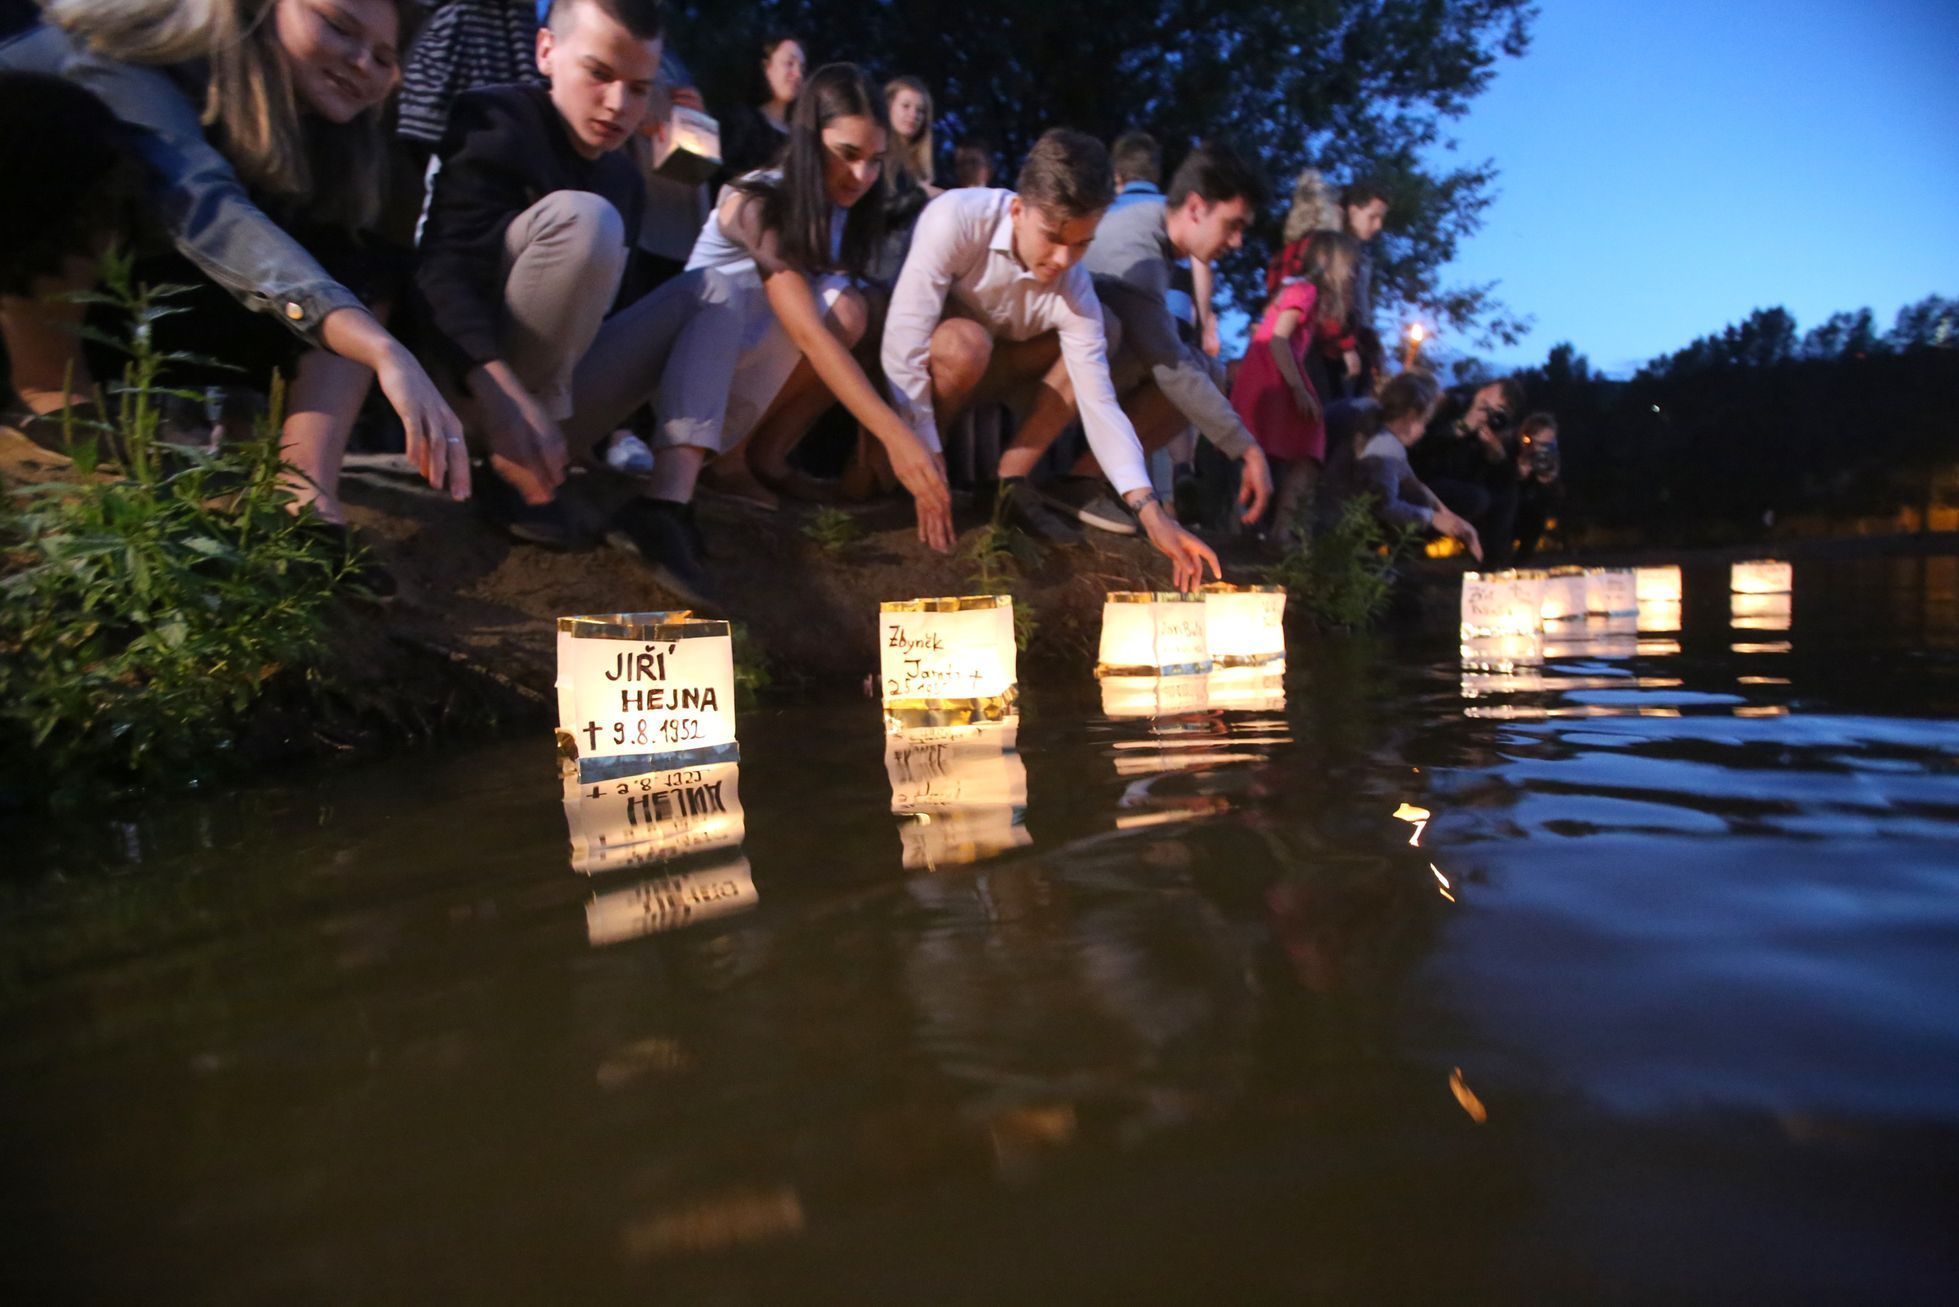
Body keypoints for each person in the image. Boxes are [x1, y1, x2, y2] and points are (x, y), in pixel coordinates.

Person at [0, 0, 468, 522]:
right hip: (27, 270)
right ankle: (47, 388)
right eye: (338, 26)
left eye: (384, 58)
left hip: (128, 308)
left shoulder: (327, 123)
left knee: (361, 247)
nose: (363, 63)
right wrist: (381, 348)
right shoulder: (125, 51)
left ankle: (304, 491)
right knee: (61, 128)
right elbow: (205, 210)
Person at [413, 0, 752, 602]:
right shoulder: (495, 119)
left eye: (639, 88)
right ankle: (509, 471)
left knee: (719, 288)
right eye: (599, 75)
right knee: (584, 217)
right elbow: (438, 279)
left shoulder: (623, 176)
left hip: (553, 410)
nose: (619, 104)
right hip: (472, 394)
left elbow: (602, 319)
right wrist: (504, 401)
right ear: (547, 52)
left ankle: (664, 508)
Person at [648, 62, 954, 584]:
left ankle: (765, 456)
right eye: (847, 155)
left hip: (751, 365)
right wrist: (899, 438)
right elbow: (808, 331)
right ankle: (726, 460)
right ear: (810, 140)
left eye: (876, 161)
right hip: (690, 375)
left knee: (857, 307)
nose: (861, 176)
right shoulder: (760, 197)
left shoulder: (844, 211)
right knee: (836, 307)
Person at [880, 127, 1220, 591]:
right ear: (1018, 210)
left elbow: (1098, 404)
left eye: (1082, 244)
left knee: (1102, 324)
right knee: (964, 343)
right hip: (938, 368)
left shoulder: (1074, 287)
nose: (1064, 259)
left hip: (1009, 373)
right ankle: (917, 479)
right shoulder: (956, 219)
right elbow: (904, 342)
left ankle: (1007, 486)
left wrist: (1151, 509)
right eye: (1053, 237)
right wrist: (922, 449)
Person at [1069, 140, 1272, 534]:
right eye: (1234, 225)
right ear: (1196, 208)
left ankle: (1090, 480)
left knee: (1206, 368)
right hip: (1050, 373)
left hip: (1086, 367)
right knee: (1192, 371)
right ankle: (1075, 484)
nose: (1237, 242)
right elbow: (1170, 365)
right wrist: (1247, 448)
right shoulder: (1139, 252)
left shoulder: (1155, 224)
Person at [1232, 231, 1363, 537]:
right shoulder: (1306, 292)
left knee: (1262, 442)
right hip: (1272, 373)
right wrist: (1298, 388)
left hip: (1267, 371)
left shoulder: (1299, 291)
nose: (1353, 273)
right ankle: (1283, 528)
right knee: (1309, 441)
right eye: (1349, 265)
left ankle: (1252, 520)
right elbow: (1279, 340)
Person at [1319, 370, 1481, 557]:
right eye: (1424, 422)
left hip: (1314, 501)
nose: (1424, 431)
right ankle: (1358, 558)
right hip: (1326, 521)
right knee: (1405, 504)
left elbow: (1409, 479)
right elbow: (1384, 506)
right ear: (1411, 417)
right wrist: (1433, 519)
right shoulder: (1382, 444)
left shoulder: (1369, 411)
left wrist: (1451, 518)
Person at [1411, 375, 1527, 563]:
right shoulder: (1449, 404)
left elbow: (1508, 478)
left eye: (1501, 410)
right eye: (1490, 401)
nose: (1492, 411)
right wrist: (1461, 427)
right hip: (1421, 479)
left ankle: (1494, 566)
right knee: (1476, 499)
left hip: (1462, 485)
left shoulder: (1497, 429)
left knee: (1507, 496)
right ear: (1483, 390)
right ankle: (1403, 549)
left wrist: (1496, 456)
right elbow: (1417, 446)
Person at [717, 32, 801, 180]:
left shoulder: (801, 140)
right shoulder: (741, 122)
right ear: (766, 66)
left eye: (802, 67)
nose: (798, 74)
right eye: (789, 63)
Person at [1510, 411, 1561, 560]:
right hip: (1511, 510)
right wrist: (1519, 475)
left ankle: (1522, 562)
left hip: (1533, 512)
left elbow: (1555, 500)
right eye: (1540, 443)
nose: (1542, 450)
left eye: (1549, 444)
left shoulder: (1551, 458)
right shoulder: (1511, 450)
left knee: (1538, 516)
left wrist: (1548, 482)